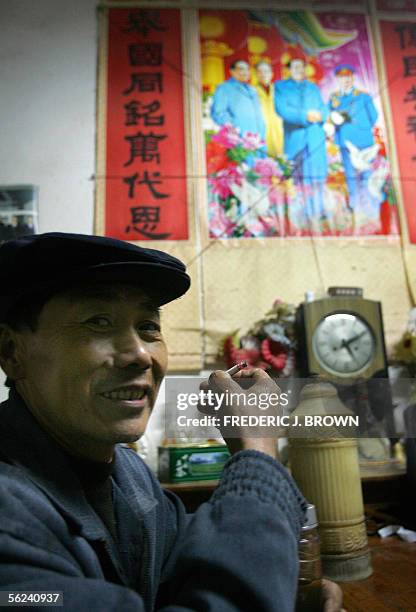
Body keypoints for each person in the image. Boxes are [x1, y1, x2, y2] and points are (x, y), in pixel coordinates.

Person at [0, 232, 344, 611]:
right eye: (98, 321)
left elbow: (181, 565)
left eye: (148, 326)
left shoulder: (129, 473)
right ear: (12, 352)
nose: (140, 355)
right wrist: (257, 449)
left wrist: (275, 582)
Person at [274, 55, 328, 223]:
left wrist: (322, 116)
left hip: (315, 137)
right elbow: (282, 110)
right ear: (288, 70)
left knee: (317, 176)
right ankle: (300, 218)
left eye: (301, 67)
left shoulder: (313, 88)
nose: (298, 70)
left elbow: (323, 107)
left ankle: (318, 213)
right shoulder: (281, 87)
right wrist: (306, 116)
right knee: (297, 178)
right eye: (295, 67)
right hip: (295, 138)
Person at [328, 64, 379, 215]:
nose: (346, 80)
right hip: (345, 142)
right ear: (338, 79)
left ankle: (371, 205)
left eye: (349, 77)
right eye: (343, 77)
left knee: (366, 173)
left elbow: (374, 116)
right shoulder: (334, 98)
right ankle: (354, 204)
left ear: (353, 78)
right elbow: (329, 116)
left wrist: (361, 127)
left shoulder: (363, 96)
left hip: (364, 141)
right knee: (350, 174)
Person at [211, 59, 266, 141]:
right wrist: (234, 130)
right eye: (241, 69)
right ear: (232, 71)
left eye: (247, 69)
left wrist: (261, 135)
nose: (245, 72)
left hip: (259, 139)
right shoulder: (224, 88)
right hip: (240, 140)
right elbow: (218, 113)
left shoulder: (252, 90)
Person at [255, 61, 284, 157]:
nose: (263, 74)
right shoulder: (251, 92)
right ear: (256, 74)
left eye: (266, 71)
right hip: (261, 132)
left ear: (272, 74)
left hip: (280, 131)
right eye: (260, 71)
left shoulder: (280, 91)